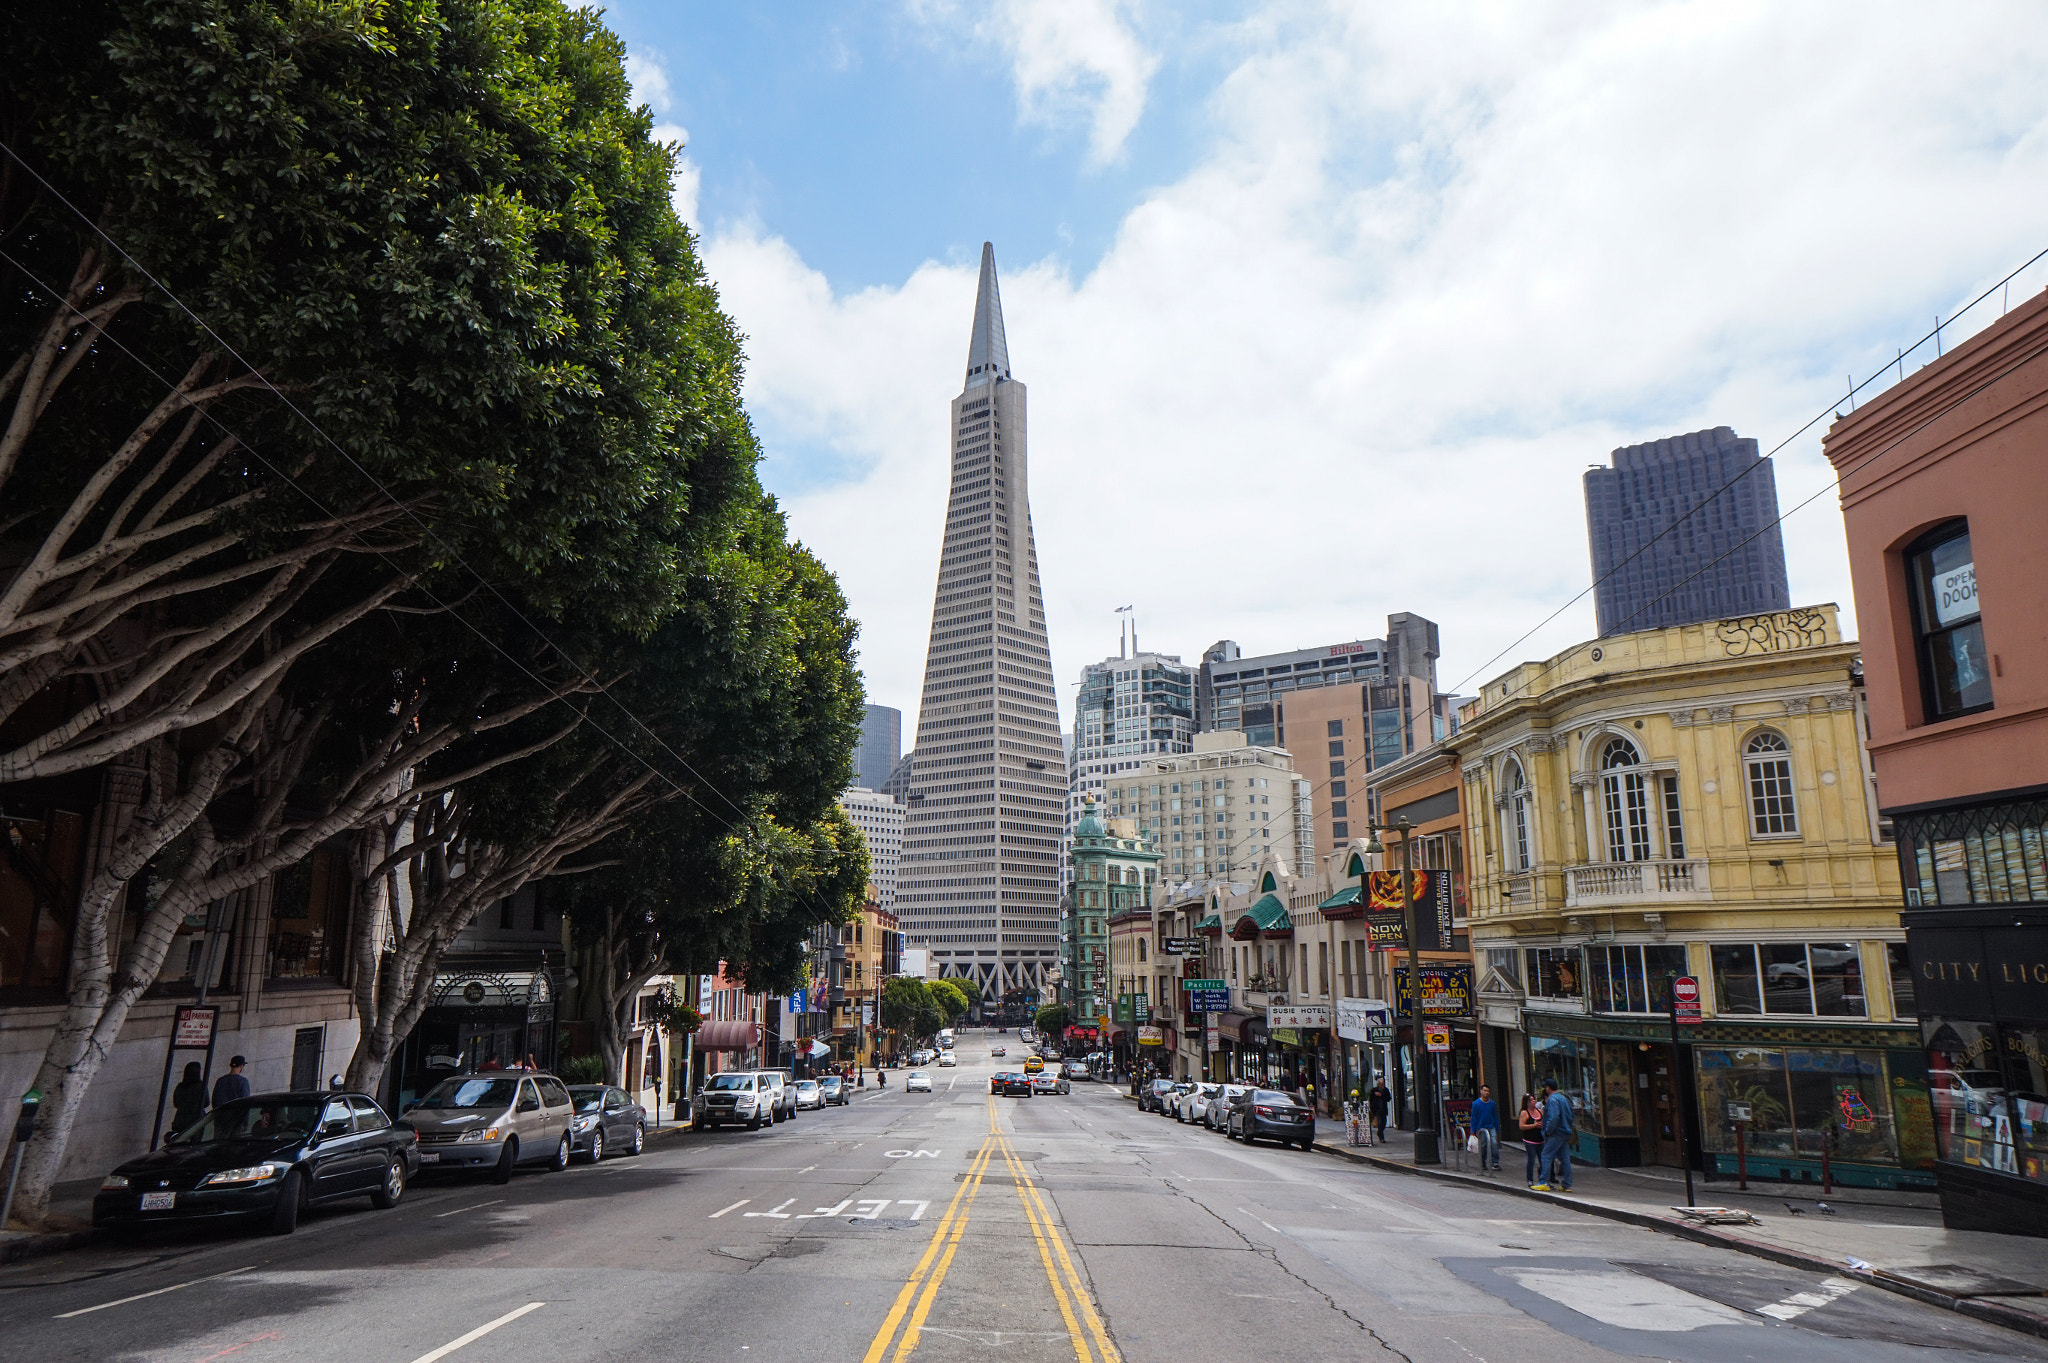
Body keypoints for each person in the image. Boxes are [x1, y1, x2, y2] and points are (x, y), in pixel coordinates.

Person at [1536, 1078, 1575, 1191]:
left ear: (1548, 1088)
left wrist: (1547, 1131)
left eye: (1545, 1087)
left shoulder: (1552, 1100)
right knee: (1565, 1159)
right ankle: (1566, 1184)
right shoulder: (1564, 1099)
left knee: (1546, 1155)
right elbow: (1571, 1115)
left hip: (1556, 1133)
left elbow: (1553, 1118)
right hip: (1565, 1132)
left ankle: (1544, 1181)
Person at [169, 1062, 207, 1138]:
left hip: (180, 1120)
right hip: (196, 1121)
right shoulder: (200, 1086)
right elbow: (206, 1102)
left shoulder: (180, 1086)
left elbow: (176, 1103)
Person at [1468, 1084, 1500, 1171]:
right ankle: (1483, 1162)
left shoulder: (1492, 1104)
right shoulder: (1476, 1104)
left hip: (1491, 1126)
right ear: (1481, 1091)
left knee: (1494, 1144)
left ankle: (1495, 1162)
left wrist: (1497, 1128)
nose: (1486, 1093)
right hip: (1481, 1127)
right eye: (1485, 1090)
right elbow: (1474, 1117)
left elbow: (1495, 1116)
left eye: (1488, 1091)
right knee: (1483, 1145)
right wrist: (1472, 1129)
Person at [1517, 1093, 1545, 1185]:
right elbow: (1521, 1126)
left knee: (1543, 1160)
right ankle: (1530, 1179)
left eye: (1534, 1100)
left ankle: (1542, 1177)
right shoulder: (1524, 1113)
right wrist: (1534, 1125)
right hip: (1530, 1141)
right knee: (1531, 1160)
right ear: (1527, 1102)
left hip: (1540, 1140)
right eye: (1532, 1100)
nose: (1534, 1102)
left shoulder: (1540, 1111)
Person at [1367, 1080, 1392, 1144]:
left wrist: (1381, 1095)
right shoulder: (1374, 1090)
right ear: (1378, 1084)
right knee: (1380, 1122)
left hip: (1383, 1109)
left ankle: (1379, 1132)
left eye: (1383, 1084)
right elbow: (1371, 1099)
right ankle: (1381, 1137)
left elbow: (1388, 1098)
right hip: (1377, 1109)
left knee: (1384, 1122)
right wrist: (1372, 1108)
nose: (1383, 1085)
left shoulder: (1386, 1090)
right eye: (1381, 1084)